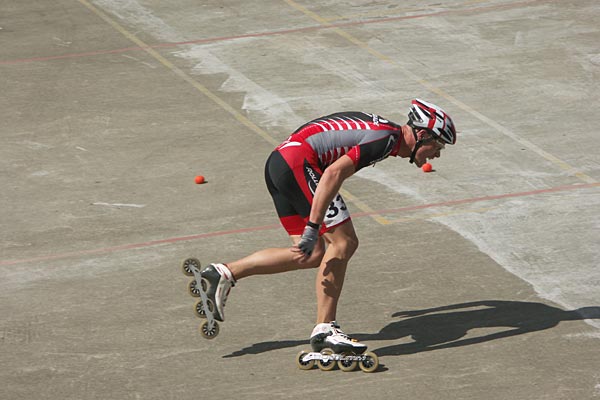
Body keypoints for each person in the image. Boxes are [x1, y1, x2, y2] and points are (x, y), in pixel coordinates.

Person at [200, 98, 457, 354]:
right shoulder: (386, 138)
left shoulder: (384, 134)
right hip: (298, 163)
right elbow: (333, 174)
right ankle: (325, 328)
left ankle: (224, 273)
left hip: (280, 162)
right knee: (344, 242)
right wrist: (313, 226)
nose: (437, 154)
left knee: (311, 255)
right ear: (422, 135)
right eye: (438, 145)